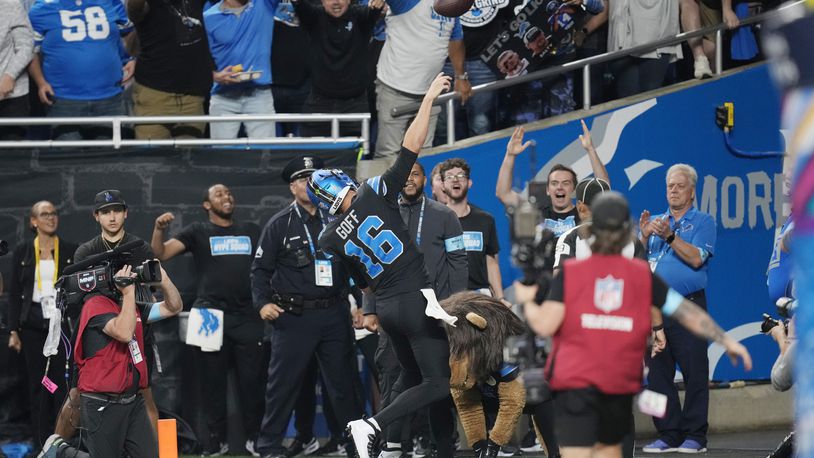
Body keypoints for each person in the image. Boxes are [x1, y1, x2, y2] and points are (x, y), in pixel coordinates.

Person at [517, 192, 751, 458]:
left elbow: (546, 322)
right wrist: (725, 340)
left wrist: (528, 304)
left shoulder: (584, 274)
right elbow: (686, 312)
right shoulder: (627, 273)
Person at [307, 73, 452, 458]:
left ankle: (389, 446)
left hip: (386, 309)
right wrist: (428, 100)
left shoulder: (328, 237)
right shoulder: (373, 193)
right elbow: (411, 146)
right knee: (440, 382)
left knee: (410, 376)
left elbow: (363, 283)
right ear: (345, 182)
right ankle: (372, 425)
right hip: (414, 298)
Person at [250, 156, 363, 458]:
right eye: (302, 179)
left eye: (313, 178)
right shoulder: (280, 223)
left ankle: (355, 445)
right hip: (294, 317)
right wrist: (262, 304)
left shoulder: (338, 218)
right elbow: (260, 270)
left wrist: (364, 305)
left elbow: (355, 265)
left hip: (334, 313)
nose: (308, 184)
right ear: (292, 187)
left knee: (344, 385)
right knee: (282, 386)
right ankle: (269, 446)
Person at [152, 184, 264, 456]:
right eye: (219, 195)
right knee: (211, 384)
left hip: (246, 315)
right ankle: (216, 442)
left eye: (228, 193)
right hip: (208, 316)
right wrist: (159, 229)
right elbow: (160, 254)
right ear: (206, 204)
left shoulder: (251, 230)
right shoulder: (197, 231)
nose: (226, 197)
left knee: (253, 383)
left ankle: (255, 440)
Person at [371, 161, 468, 457]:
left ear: (427, 179)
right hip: (395, 313)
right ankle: (392, 446)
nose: (409, 180)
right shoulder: (383, 216)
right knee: (392, 378)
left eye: (415, 174)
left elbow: (459, 261)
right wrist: (369, 308)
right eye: (405, 175)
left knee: (437, 383)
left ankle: (443, 447)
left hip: (433, 316)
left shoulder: (445, 215)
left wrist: (453, 306)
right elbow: (371, 264)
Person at [51, 189, 161, 446]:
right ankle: (52, 449)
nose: (111, 217)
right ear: (96, 216)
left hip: (134, 329)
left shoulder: (140, 248)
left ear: (125, 213)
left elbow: (151, 294)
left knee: (145, 394)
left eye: (116, 211)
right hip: (98, 334)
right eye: (105, 212)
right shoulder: (86, 252)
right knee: (78, 394)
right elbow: (79, 299)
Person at [40, 261, 183, 458]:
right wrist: (128, 292)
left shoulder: (131, 306)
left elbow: (173, 307)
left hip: (133, 401)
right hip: (102, 403)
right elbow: (124, 333)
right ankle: (60, 452)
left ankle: (58, 450)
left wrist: (164, 280)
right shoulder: (95, 306)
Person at [640, 164, 717, 454]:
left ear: (692, 192)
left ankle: (695, 436)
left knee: (695, 372)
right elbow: (638, 263)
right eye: (670, 185)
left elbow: (697, 259)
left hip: (687, 306)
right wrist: (644, 238)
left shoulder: (703, 221)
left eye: (679, 185)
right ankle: (669, 433)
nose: (673, 190)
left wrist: (671, 236)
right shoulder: (656, 222)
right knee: (656, 374)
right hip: (654, 309)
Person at [6, 202, 77, 449]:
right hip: (33, 324)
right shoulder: (24, 252)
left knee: (60, 384)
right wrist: (13, 329)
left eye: (54, 213)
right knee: (39, 383)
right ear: (33, 221)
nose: (51, 218)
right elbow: (14, 293)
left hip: (59, 322)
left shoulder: (69, 250)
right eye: (44, 214)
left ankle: (60, 442)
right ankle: (40, 442)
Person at [373, 0, 470, 157]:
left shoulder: (451, 4)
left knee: (424, 154)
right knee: (388, 154)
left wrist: (460, 76)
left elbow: (455, 39)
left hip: (430, 94)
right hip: (395, 90)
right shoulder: (407, 2)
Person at [27, 0, 135, 140]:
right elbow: (29, 50)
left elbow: (129, 32)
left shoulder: (112, 3)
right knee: (69, 158)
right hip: (63, 99)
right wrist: (40, 82)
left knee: (109, 158)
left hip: (111, 97)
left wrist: (132, 58)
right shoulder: (41, 8)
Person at [496, 122, 609, 238]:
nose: (559, 187)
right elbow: (504, 194)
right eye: (554, 183)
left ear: (574, 190)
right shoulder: (537, 213)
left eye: (566, 183)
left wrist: (590, 150)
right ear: (548, 190)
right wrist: (510, 155)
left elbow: (603, 188)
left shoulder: (583, 213)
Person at [293, 0, 384, 137]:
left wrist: (377, 5)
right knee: (311, 155)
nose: (336, 2)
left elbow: (373, 10)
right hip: (319, 102)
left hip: (355, 105)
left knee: (355, 156)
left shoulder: (360, 16)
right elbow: (301, 6)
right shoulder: (314, 17)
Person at [127, 0, 213, 139]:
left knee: (190, 158)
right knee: (151, 158)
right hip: (154, 96)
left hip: (192, 96)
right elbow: (134, 10)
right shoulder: (148, 5)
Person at [203, 0, 279, 139]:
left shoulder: (264, 4)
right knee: (221, 156)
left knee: (265, 153)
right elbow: (197, 58)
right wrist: (216, 76)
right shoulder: (208, 17)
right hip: (223, 97)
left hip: (259, 95)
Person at [439, 157, 505, 301]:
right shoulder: (435, 221)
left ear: (469, 183)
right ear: (443, 185)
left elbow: (491, 261)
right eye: (450, 177)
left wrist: (500, 297)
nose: (455, 180)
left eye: (461, 176)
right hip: (447, 298)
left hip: (480, 296)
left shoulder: (485, 220)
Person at [553, 177, 646, 271]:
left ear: (580, 206)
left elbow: (559, 278)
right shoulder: (631, 239)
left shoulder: (570, 237)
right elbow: (646, 280)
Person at [0, 0, 34, 140]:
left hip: (12, 97)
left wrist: (9, 76)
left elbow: (26, 46)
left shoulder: (10, 5)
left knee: (13, 157)